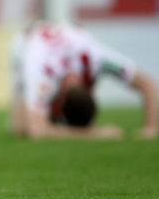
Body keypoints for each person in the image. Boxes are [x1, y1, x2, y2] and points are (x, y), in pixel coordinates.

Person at [9, 21, 158, 140]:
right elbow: (36, 130)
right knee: (20, 129)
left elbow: (148, 85)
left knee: (42, 125)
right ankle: (54, 118)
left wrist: (151, 129)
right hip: (26, 43)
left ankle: (58, 121)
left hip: (67, 36)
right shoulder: (42, 69)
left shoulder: (97, 58)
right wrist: (93, 134)